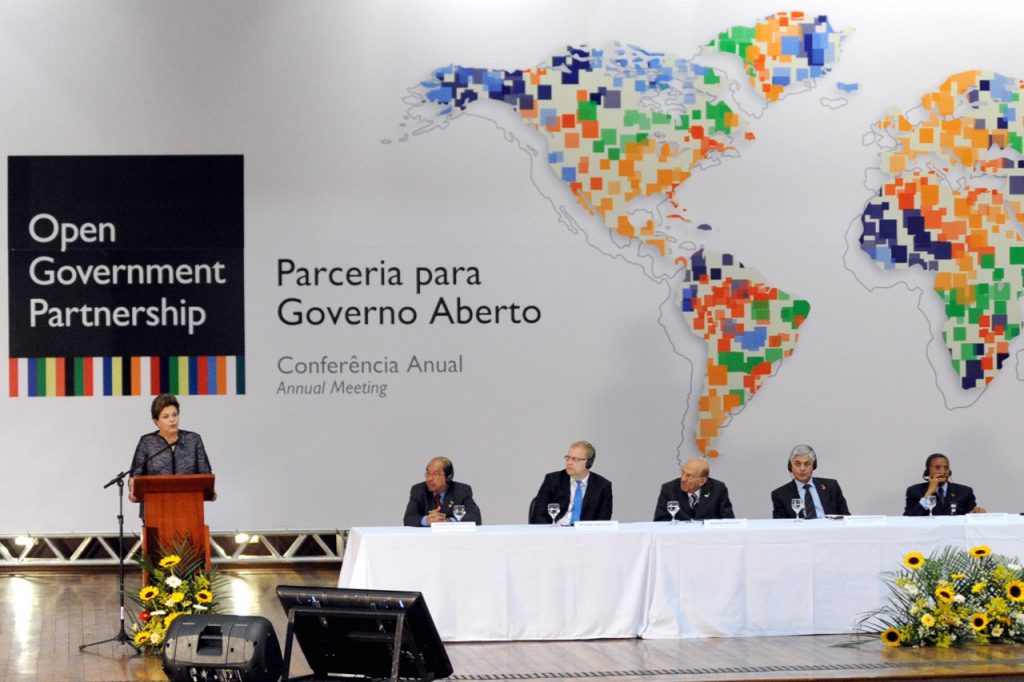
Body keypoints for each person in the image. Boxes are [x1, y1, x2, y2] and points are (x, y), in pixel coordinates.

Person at [128, 393, 214, 503]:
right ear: (156, 421)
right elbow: (135, 477)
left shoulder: (193, 440)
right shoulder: (147, 442)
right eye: (166, 416)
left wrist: (211, 490)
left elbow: (205, 475)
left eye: (175, 414)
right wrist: (132, 491)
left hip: (189, 507)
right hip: (155, 507)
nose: (172, 419)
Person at [529, 441, 613, 524]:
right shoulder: (553, 480)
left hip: (586, 534)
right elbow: (539, 514)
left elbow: (603, 519)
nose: (569, 462)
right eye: (567, 458)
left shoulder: (603, 486)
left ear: (589, 463)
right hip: (555, 532)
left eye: (575, 459)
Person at [771, 444, 849, 518]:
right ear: (791, 467)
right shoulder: (780, 494)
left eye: (807, 464)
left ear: (813, 466)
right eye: (798, 464)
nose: (802, 469)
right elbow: (780, 524)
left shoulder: (831, 486)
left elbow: (845, 516)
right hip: (800, 531)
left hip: (829, 530)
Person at [403, 456, 482, 526]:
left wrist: (450, 521)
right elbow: (408, 518)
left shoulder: (461, 490)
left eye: (435, 474)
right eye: (428, 473)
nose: (429, 478)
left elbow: (475, 517)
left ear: (448, 477)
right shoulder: (419, 490)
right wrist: (426, 520)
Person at [653, 457, 735, 521]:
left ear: (702, 481)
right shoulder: (669, 489)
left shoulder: (718, 489)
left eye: (690, 476)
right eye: (683, 473)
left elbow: (728, 521)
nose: (683, 479)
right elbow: (660, 521)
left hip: (708, 539)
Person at [904, 453, 985, 516]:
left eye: (946, 468)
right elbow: (909, 518)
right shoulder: (914, 491)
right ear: (928, 471)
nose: (943, 472)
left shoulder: (965, 492)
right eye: (937, 467)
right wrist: (929, 493)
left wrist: (977, 512)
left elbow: (972, 514)